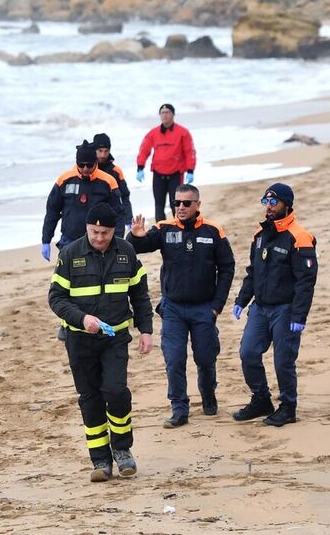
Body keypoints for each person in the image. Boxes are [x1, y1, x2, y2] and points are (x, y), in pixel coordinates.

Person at [49, 203, 153, 482]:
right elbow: (56, 298)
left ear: (114, 231)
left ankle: (122, 450)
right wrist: (82, 319)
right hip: (80, 340)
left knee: (116, 392)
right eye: (94, 232)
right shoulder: (70, 255)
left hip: (115, 338)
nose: (99, 237)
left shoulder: (127, 252)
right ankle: (100, 460)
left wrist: (146, 330)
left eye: (105, 233)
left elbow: (140, 294)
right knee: (91, 398)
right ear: (86, 228)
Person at [128, 184, 235, 427]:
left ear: (198, 205)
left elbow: (228, 268)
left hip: (204, 308)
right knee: (174, 360)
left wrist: (217, 305)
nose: (181, 207)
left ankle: (208, 395)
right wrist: (135, 235)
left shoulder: (213, 231)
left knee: (206, 358)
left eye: (186, 203)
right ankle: (179, 409)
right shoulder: (164, 228)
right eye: (177, 203)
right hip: (173, 308)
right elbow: (138, 247)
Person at [231, 182, 317, 427]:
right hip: (260, 307)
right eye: (265, 202)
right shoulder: (259, 236)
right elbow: (253, 272)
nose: (268, 207)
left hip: (285, 309)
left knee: (283, 360)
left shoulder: (300, 237)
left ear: (286, 204)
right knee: (248, 353)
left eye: (273, 202)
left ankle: (288, 407)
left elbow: (305, 282)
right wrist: (241, 300)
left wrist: (299, 316)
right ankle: (261, 400)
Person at [41, 139, 125, 262]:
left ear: (95, 162)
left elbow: (118, 214)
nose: (85, 168)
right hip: (69, 239)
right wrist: (46, 240)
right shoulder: (64, 180)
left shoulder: (108, 181)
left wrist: (118, 241)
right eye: (81, 165)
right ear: (76, 162)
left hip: (98, 240)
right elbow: (52, 211)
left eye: (89, 165)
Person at [136, 103, 196, 222]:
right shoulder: (153, 133)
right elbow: (144, 149)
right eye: (162, 113)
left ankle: (179, 226)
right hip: (158, 174)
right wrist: (140, 167)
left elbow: (190, 151)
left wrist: (190, 170)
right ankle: (160, 230)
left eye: (167, 112)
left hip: (175, 173)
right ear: (160, 115)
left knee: (177, 204)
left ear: (173, 115)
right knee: (159, 205)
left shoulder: (183, 132)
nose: (165, 115)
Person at [92, 132, 133, 236]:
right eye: (100, 151)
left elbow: (125, 196)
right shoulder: (87, 170)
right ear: (94, 150)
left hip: (114, 219)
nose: (103, 155)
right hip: (92, 220)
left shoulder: (116, 171)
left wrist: (129, 218)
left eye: (106, 151)